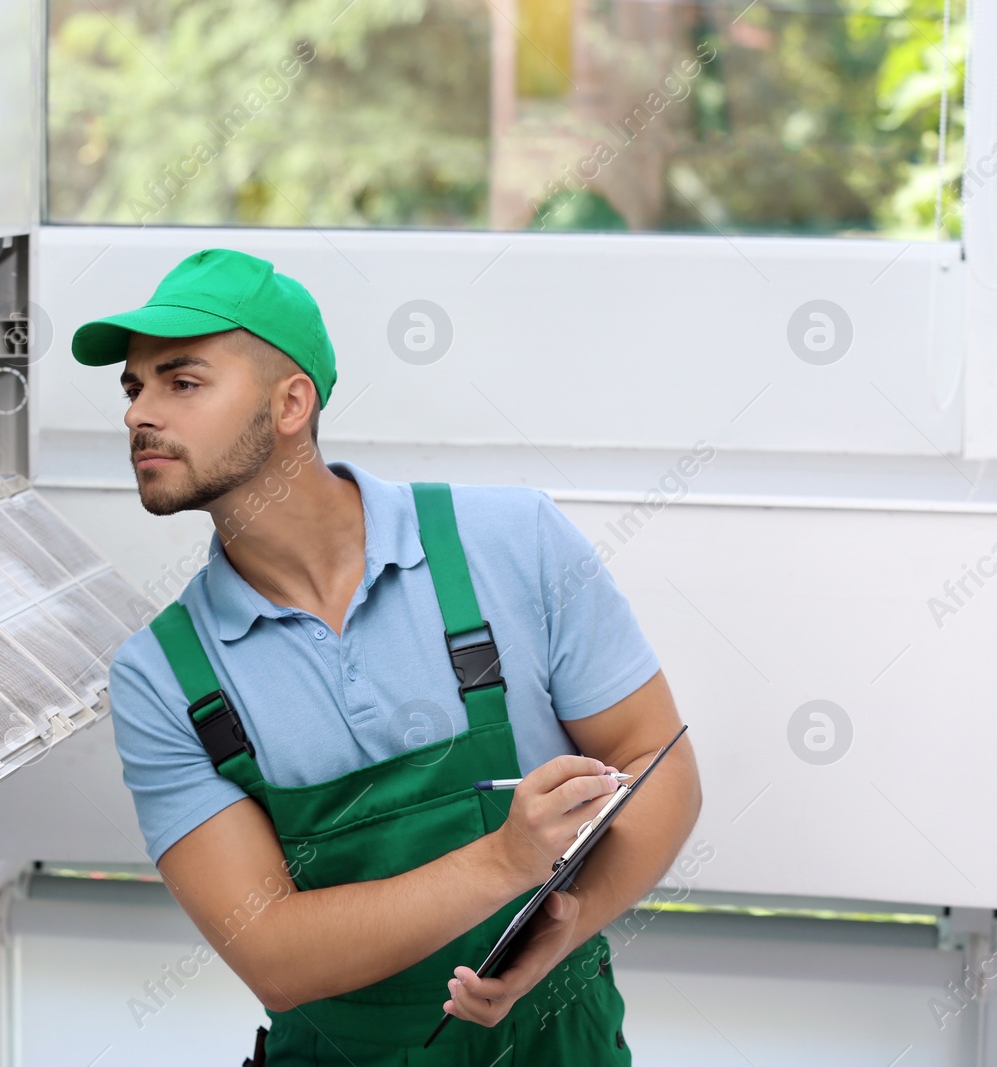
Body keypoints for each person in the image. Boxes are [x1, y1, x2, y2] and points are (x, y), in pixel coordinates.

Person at [70, 248, 702, 1065]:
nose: (138, 415)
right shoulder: (161, 677)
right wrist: (505, 860)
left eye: (181, 382)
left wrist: (573, 919)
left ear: (291, 401)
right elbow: (269, 951)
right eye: (133, 388)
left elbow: (656, 758)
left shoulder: (513, 543)